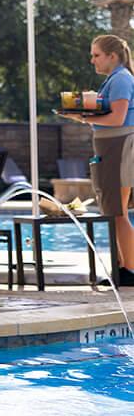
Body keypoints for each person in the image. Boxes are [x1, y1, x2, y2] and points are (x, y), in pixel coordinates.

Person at [57, 34, 134, 286]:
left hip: (118, 146)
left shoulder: (121, 78)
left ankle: (130, 271)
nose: (92, 60)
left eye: (96, 55)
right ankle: (122, 269)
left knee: (117, 213)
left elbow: (117, 118)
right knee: (114, 212)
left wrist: (81, 118)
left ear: (113, 56)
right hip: (110, 147)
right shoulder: (115, 79)